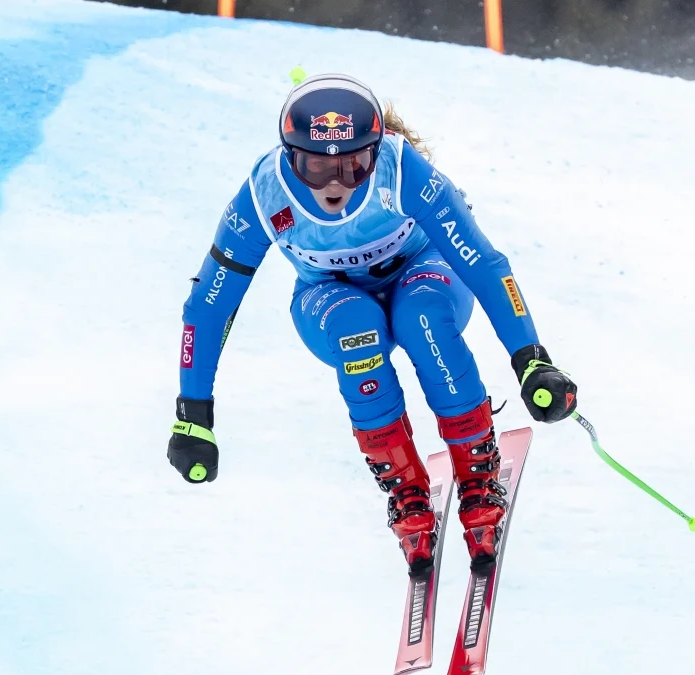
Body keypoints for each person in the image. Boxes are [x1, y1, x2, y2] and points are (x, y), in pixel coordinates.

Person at [167, 73, 578, 575]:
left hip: (424, 272)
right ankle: (406, 493)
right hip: (330, 295)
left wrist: (531, 359)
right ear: (291, 157)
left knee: (421, 318)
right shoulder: (264, 192)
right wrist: (193, 413)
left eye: (354, 166)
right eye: (317, 167)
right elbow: (210, 305)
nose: (335, 184)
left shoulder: (401, 171)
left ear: (375, 153)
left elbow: (483, 265)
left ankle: (477, 473)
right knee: (355, 328)